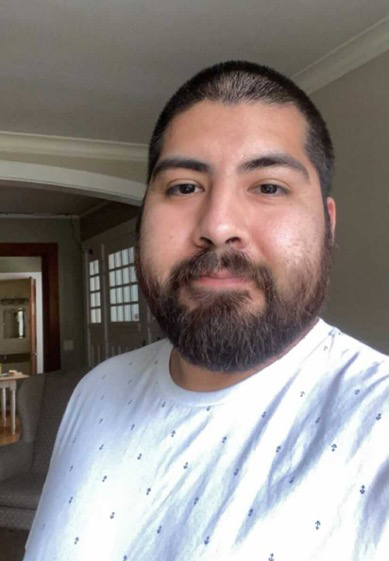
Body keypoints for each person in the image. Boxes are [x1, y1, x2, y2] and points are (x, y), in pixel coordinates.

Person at [24, 61, 388, 561]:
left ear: (327, 224)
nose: (217, 225)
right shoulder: (95, 389)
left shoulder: (376, 427)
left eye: (268, 186)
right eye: (184, 187)